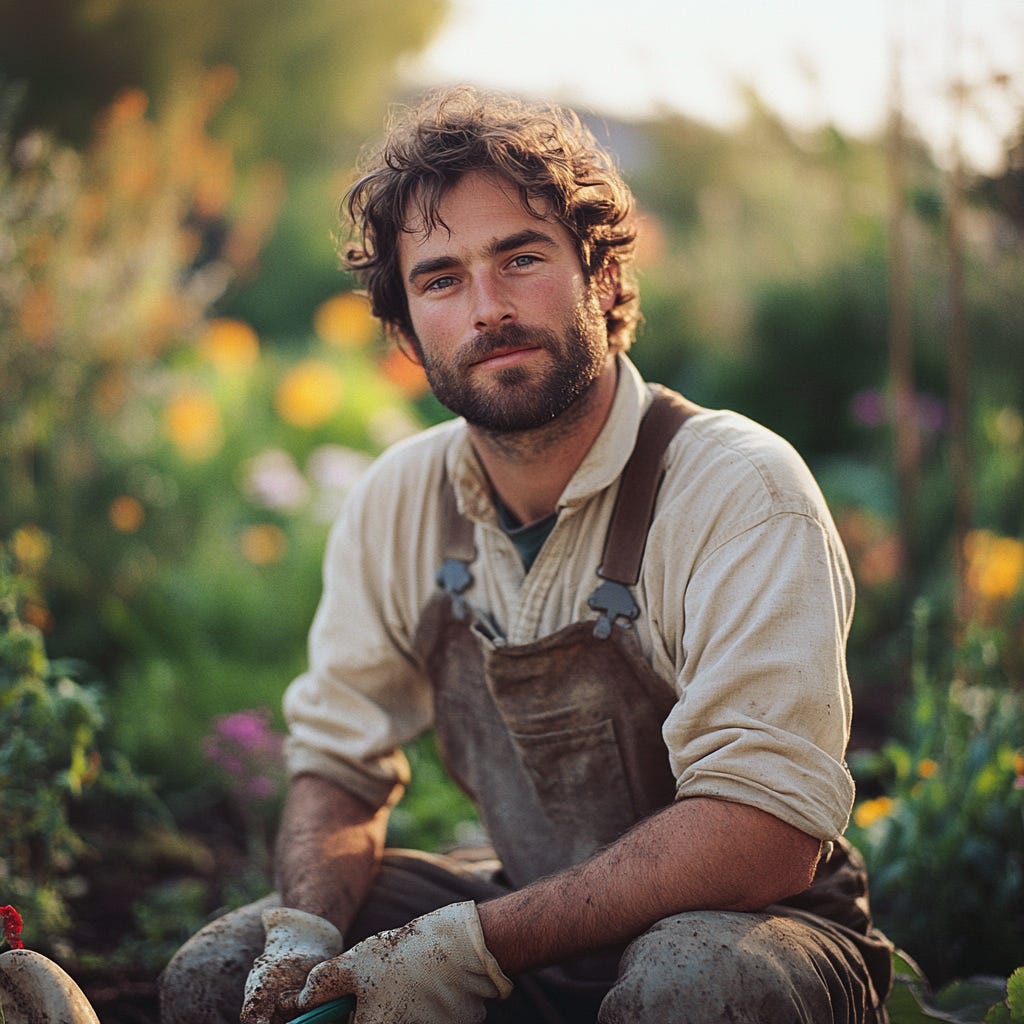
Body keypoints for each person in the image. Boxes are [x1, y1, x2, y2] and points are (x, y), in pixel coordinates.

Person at [159, 86, 893, 1024]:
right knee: (221, 972)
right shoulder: (400, 500)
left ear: (604, 275)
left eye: (522, 258)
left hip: (762, 934)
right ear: (403, 329)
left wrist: (472, 947)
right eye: (440, 279)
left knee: (691, 988)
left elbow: (766, 835)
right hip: (536, 915)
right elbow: (340, 764)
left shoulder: (738, 491)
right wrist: (306, 930)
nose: (487, 308)